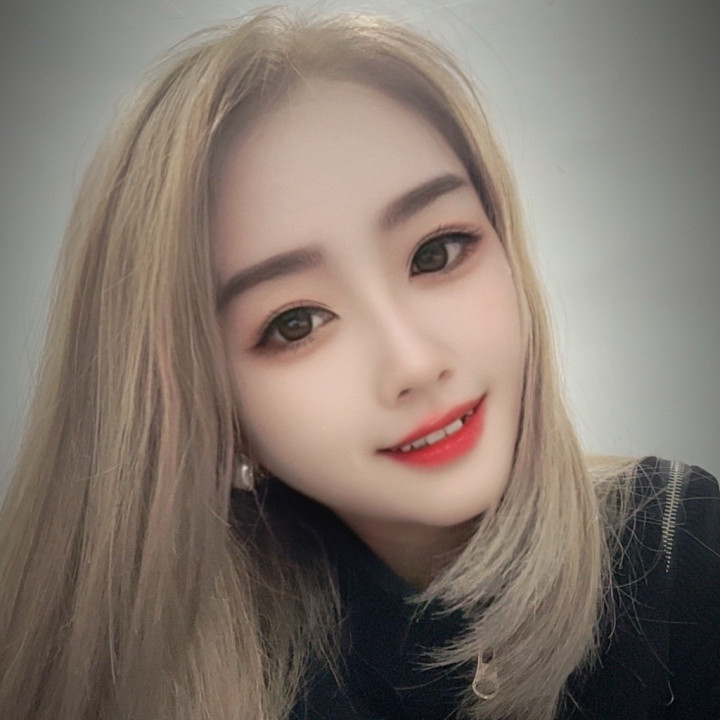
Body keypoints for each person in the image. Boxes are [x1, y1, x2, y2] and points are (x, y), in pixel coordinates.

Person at [0, 7, 717, 720]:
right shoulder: (147, 682)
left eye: (436, 252)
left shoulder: (677, 552)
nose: (414, 364)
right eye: (296, 323)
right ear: (206, 402)